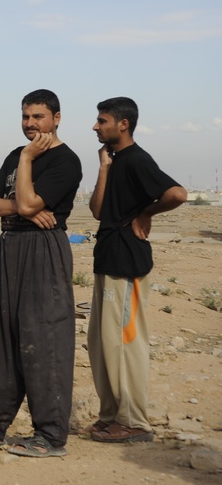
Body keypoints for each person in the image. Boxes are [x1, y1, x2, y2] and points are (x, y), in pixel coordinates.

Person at [0, 89, 82, 458]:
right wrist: (21, 206)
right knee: (0, 338)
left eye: (38, 117)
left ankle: (50, 436)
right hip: (11, 247)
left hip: (43, 251)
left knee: (45, 339)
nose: (30, 124)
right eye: (25, 117)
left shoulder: (65, 161)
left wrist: (26, 163)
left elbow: (26, 202)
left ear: (56, 118)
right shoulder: (16, 154)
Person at [85, 97, 186, 444]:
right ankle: (111, 415)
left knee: (124, 344)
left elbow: (177, 193)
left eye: (102, 121)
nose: (96, 126)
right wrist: (103, 169)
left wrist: (147, 214)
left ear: (122, 124)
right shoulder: (115, 163)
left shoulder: (138, 159)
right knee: (102, 345)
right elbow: (98, 211)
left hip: (127, 264)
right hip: (108, 260)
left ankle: (134, 422)